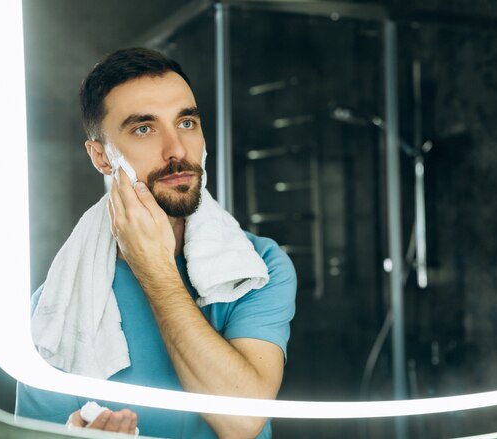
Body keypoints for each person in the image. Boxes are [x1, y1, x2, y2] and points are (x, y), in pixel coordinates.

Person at [15, 48, 297, 439]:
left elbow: (242, 420)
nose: (177, 151)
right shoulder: (59, 304)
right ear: (100, 157)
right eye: (143, 129)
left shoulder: (260, 268)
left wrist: (154, 268)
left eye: (186, 122)